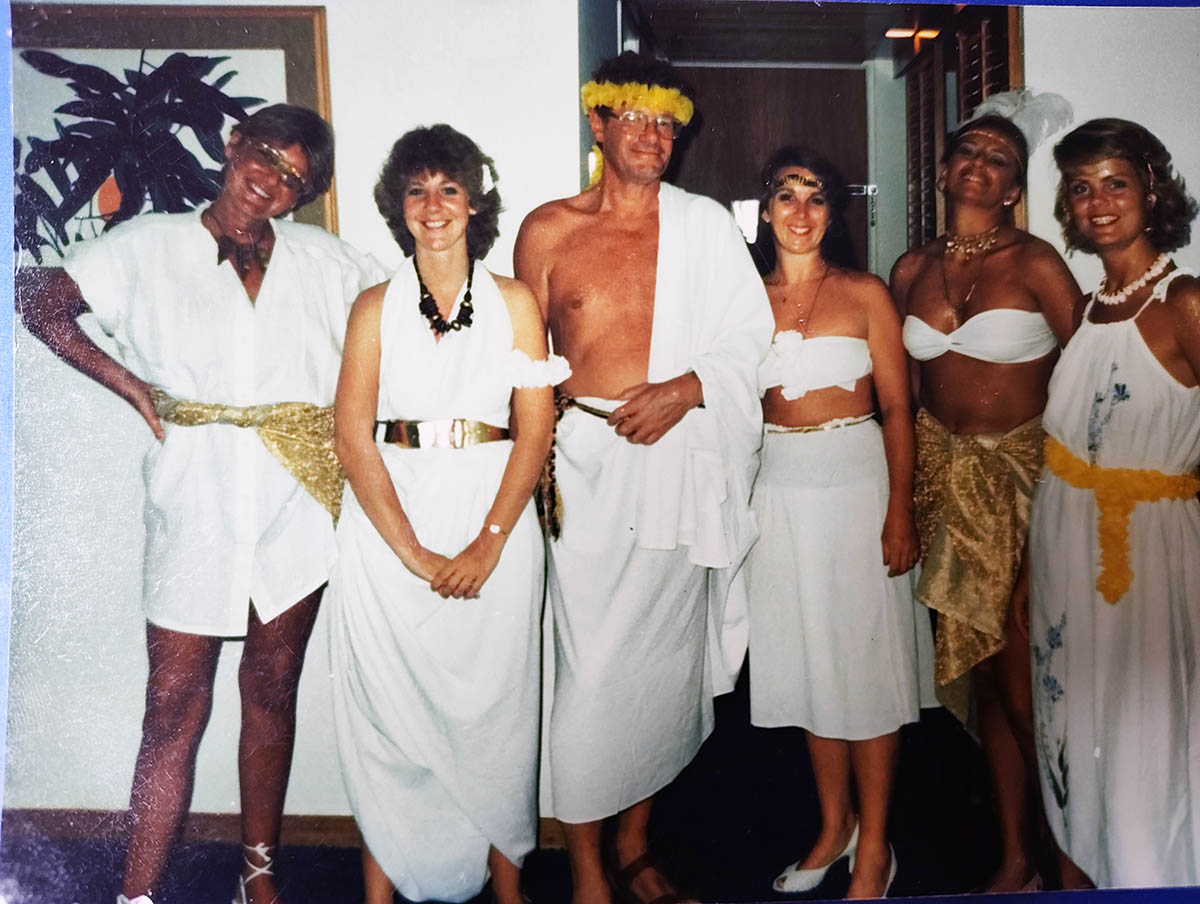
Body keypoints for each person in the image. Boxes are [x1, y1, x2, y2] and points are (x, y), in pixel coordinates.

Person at [16, 104, 384, 904]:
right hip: (195, 500)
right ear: (232, 146)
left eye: (294, 178)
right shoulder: (146, 245)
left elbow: (410, 320)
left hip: (296, 500)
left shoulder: (330, 263)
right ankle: (137, 892)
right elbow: (37, 299)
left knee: (272, 691)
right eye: (265, 156)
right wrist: (127, 383)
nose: (271, 181)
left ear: (305, 195)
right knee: (173, 707)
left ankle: (258, 873)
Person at [514, 52, 772, 904]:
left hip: (678, 460)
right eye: (635, 118)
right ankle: (586, 865)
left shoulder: (703, 226)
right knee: (589, 673)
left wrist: (690, 388)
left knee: (660, 673)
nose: (655, 137)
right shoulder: (548, 230)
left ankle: (633, 846)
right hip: (582, 470)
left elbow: (749, 336)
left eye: (667, 123)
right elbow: (523, 361)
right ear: (598, 123)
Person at [328, 125, 561, 904]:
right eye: (417, 191)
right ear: (398, 206)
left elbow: (536, 430)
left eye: (449, 189)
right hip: (389, 528)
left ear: (475, 203)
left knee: (499, 713)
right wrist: (414, 554)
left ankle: (508, 891)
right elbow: (351, 438)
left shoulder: (516, 304)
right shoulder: (372, 308)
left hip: (494, 517)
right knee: (386, 717)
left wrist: (489, 544)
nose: (433, 206)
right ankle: (379, 895)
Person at [890, 107, 1083, 892]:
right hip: (944, 483)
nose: (979, 161)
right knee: (987, 681)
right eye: (967, 148)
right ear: (944, 172)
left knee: (1028, 685)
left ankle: (1074, 857)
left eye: (999, 157)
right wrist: (903, 498)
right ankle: (1015, 857)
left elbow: (1092, 374)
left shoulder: (1036, 262)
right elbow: (905, 396)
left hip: (1025, 485)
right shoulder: (909, 268)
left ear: (1012, 188)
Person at [747, 147, 931, 899]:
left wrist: (899, 510)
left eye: (815, 197)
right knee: (809, 664)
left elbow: (898, 407)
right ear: (765, 210)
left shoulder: (865, 293)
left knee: (865, 665)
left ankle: (876, 845)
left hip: (856, 483)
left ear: (832, 213)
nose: (800, 211)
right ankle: (834, 826)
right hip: (777, 489)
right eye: (786, 196)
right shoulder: (742, 300)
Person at [1030, 118, 1200, 889]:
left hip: (1150, 554)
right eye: (1081, 188)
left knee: (1142, 745)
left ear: (1150, 190)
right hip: (1065, 540)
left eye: (1115, 183)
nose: (1098, 202)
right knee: (1074, 725)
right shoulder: (1088, 308)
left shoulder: (1184, 302)